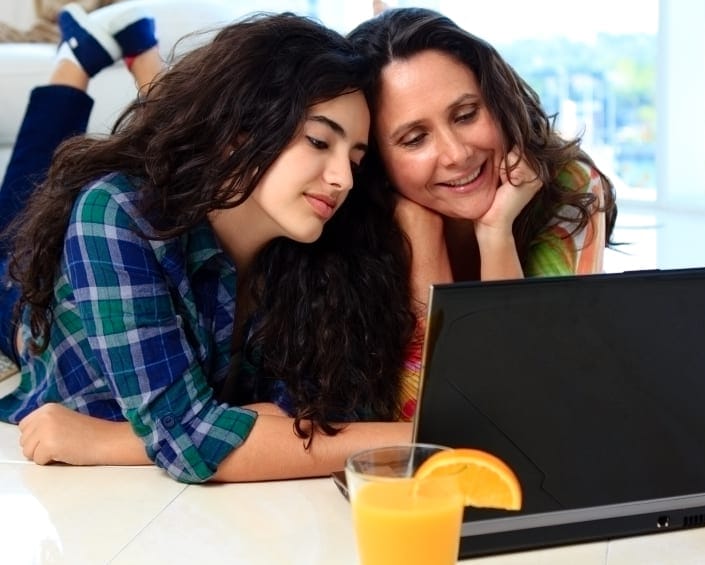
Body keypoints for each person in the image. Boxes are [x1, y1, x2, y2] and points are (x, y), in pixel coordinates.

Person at [0, 4, 413, 483]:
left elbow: (328, 413)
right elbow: (194, 437)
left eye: (356, 160)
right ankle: (75, 57)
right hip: (23, 302)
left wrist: (112, 440)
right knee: (22, 209)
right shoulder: (117, 212)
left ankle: (137, 48)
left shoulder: (319, 254)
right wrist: (418, 437)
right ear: (239, 132)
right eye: (319, 142)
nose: (342, 179)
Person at [348, 7, 618, 418]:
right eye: (415, 139)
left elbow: (515, 405)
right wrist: (423, 240)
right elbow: (431, 424)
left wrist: (495, 233)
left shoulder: (567, 187)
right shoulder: (350, 221)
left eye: (466, 115)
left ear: (497, 101)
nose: (457, 154)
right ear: (375, 159)